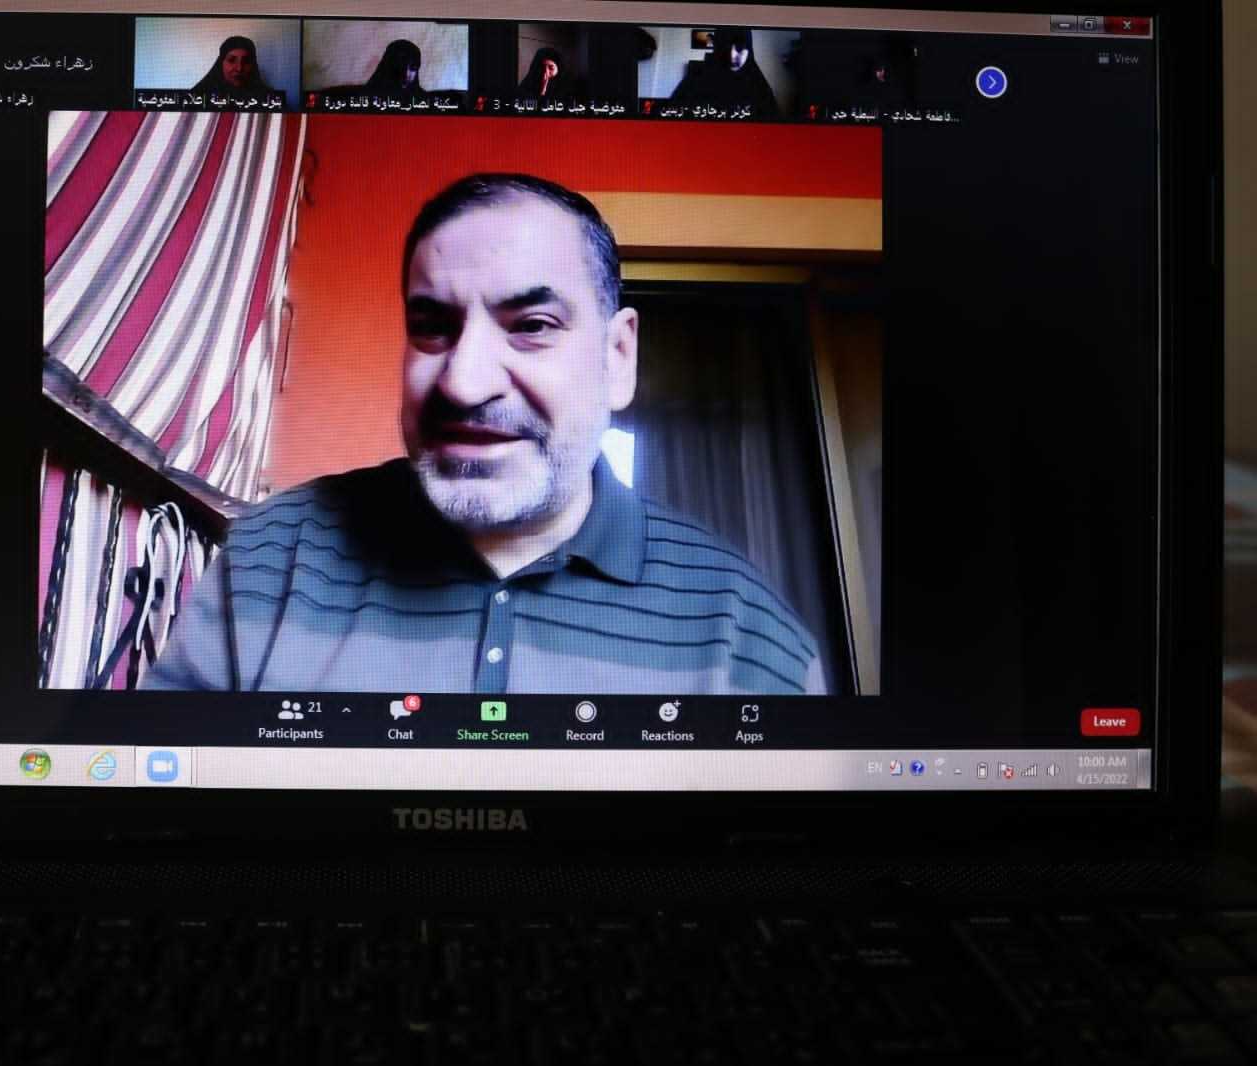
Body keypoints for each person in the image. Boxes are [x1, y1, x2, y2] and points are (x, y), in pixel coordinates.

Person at [146, 174, 824, 695]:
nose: (463, 384)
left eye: (531, 326)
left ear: (617, 357)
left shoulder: (743, 631)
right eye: (432, 327)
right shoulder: (272, 556)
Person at [671, 27, 778, 115]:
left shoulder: (759, 88)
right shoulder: (695, 80)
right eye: (726, 47)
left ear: (749, 49)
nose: (732, 55)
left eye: (740, 47)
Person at [191, 35, 280, 101]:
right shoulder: (199, 96)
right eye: (231, 60)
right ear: (220, 63)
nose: (239, 68)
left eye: (246, 61)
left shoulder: (268, 98)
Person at [361, 39, 425, 96]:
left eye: (412, 68)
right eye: (401, 67)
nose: (406, 74)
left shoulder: (422, 98)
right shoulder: (368, 95)